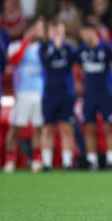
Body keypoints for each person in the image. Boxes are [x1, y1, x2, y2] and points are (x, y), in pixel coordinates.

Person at [3, 19, 45, 173]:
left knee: (38, 128)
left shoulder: (43, 48)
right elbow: (13, 60)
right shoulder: (16, 46)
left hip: (39, 93)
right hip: (22, 92)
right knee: (15, 128)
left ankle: (37, 160)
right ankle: (10, 160)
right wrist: (25, 42)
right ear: (30, 30)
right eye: (38, 28)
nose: (40, 32)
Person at [78, 22, 112, 170]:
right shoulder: (82, 50)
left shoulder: (107, 48)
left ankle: (111, 160)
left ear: (93, 31)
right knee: (89, 127)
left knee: (109, 127)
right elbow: (81, 69)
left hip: (105, 93)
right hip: (89, 94)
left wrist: (110, 85)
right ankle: (92, 161)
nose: (83, 36)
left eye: (85, 32)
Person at [39, 20, 77, 171]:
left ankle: (67, 162)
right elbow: (46, 63)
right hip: (49, 94)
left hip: (66, 94)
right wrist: (55, 48)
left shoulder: (69, 49)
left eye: (60, 32)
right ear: (49, 34)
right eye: (54, 32)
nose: (57, 35)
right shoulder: (44, 48)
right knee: (47, 128)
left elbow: (69, 65)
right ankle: (46, 163)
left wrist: (60, 47)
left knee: (67, 128)